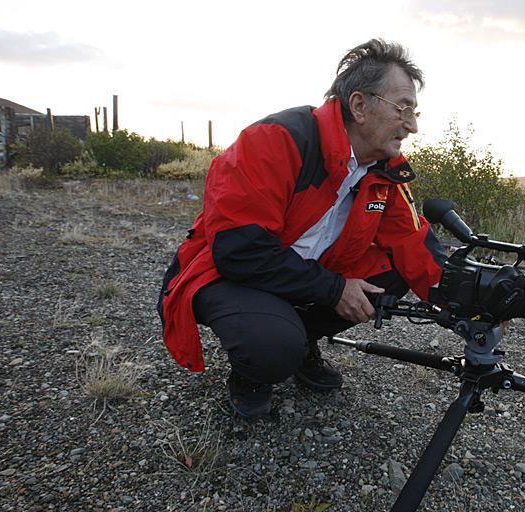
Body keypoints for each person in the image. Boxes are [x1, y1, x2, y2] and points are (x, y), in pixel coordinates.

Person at [157, 39, 446, 420]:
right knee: (275, 347)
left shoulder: (384, 171)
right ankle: (254, 370)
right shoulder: (276, 140)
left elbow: (413, 244)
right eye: (402, 108)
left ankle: (303, 337)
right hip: (227, 275)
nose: (412, 125)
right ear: (359, 106)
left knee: (393, 272)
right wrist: (334, 289)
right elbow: (240, 251)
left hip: (302, 272)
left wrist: (474, 303)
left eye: (414, 111)